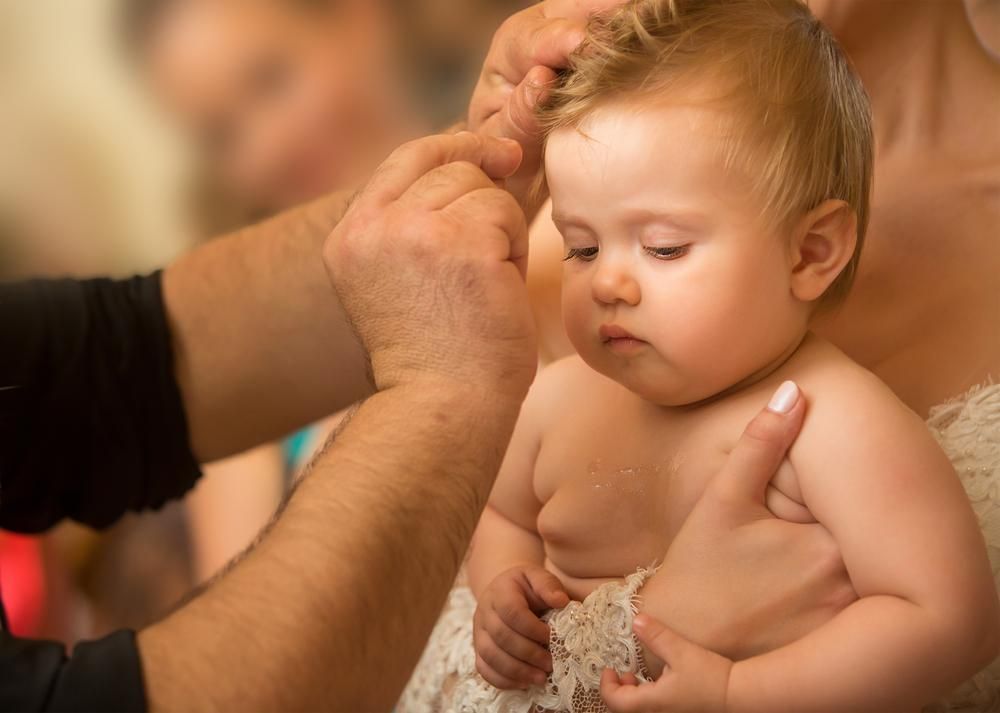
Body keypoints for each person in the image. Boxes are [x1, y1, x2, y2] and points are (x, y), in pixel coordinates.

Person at [0, 2, 857, 709]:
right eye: (220, 131)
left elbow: (125, 355)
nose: (262, 141)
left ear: (360, 19)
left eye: (270, 78)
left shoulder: (634, 238)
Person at [398, 2, 999, 711]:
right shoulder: (556, 398)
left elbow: (951, 616)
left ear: (811, 252)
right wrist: (507, 586)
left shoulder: (829, 421)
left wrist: (740, 690)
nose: (608, 282)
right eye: (583, 246)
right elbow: (501, 513)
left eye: (664, 249)